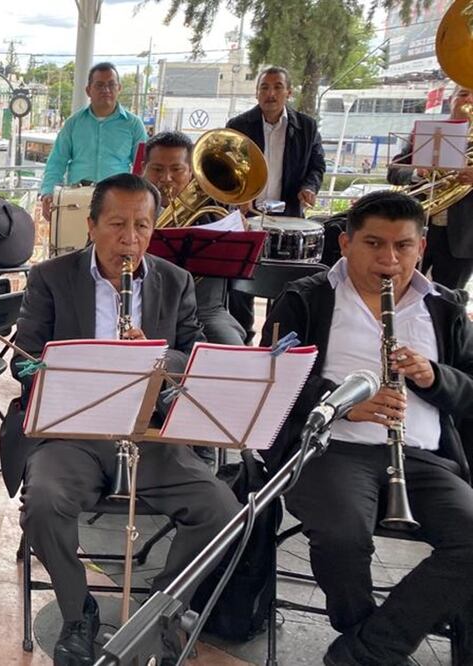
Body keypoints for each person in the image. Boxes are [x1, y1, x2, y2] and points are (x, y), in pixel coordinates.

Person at [8, 173, 241, 665]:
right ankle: (78, 613)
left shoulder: (175, 281)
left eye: (142, 226)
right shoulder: (51, 278)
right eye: (116, 224)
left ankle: (161, 609)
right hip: (73, 431)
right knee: (44, 503)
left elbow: (191, 356)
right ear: (91, 226)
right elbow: (22, 362)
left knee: (220, 509)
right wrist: (75, 362)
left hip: (148, 433)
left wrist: (159, 358)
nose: (130, 239)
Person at [261, 190, 473, 665]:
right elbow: (271, 375)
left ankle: (367, 651)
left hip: (424, 458)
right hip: (331, 449)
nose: (389, 259)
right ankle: (369, 640)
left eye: (403, 246)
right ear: (346, 243)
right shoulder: (306, 297)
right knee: (342, 537)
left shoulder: (443, 306)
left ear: (421, 247)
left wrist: (435, 378)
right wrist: (342, 403)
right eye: (374, 244)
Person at [226, 66, 326, 340]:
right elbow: (227, 168)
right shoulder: (238, 125)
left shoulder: (306, 126)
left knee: (283, 286)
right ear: (257, 92)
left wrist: (309, 187)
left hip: (287, 217)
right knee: (242, 282)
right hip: (246, 216)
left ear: (288, 92)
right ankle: (241, 338)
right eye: (264, 87)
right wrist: (239, 196)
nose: (270, 93)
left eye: (277, 87)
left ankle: (274, 339)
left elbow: (317, 165)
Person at [142, 130, 246, 345]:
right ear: (144, 169)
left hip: (205, 311)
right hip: (144, 308)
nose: (166, 178)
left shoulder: (214, 212)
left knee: (233, 350)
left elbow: (245, 266)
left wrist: (240, 235)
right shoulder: (125, 207)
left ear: (191, 171)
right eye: (157, 169)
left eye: (176, 169)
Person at [388, 85, 473, 291]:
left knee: (449, 300)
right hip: (416, 228)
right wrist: (417, 173)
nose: (469, 100)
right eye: (463, 94)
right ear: (451, 100)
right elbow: (394, 173)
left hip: (463, 236)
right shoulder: (426, 132)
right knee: (400, 291)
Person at [39, 62, 148, 222]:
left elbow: (143, 166)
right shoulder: (73, 123)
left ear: (119, 88)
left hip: (118, 201)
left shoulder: (134, 125)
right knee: (74, 238)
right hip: (77, 201)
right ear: (88, 90)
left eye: (111, 84)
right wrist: (48, 192)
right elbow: (57, 161)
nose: (106, 90)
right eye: (99, 85)